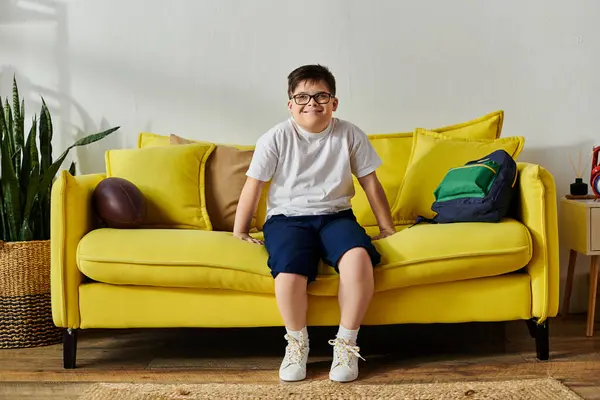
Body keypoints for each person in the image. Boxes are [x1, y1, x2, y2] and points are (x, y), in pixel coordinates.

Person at [233, 64, 395, 383]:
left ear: (334, 102)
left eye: (321, 95)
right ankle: (297, 343)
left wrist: (387, 227)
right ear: (290, 104)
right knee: (290, 273)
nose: (312, 103)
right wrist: (239, 230)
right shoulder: (275, 137)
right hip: (286, 219)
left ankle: (346, 344)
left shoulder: (349, 133)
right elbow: (254, 185)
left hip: (336, 216)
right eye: (302, 96)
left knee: (358, 260)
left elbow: (371, 183)